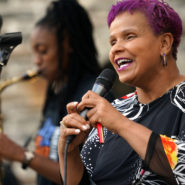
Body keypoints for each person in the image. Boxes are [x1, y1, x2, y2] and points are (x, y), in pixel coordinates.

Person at [58, 0, 185, 184]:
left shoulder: (113, 117)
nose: (116, 48)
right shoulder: (115, 110)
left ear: (164, 43)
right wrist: (68, 153)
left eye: (130, 36)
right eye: (112, 41)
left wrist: (121, 125)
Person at [0, 0, 114, 185]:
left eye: (43, 51)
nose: (37, 61)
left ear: (67, 43)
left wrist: (21, 154)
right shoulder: (55, 94)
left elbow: (84, 177)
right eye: (34, 53)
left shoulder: (93, 96)